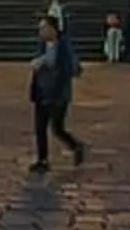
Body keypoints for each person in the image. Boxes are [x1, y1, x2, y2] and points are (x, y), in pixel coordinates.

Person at [28, 14, 86, 173]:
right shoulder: (42, 46)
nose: (41, 32)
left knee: (57, 128)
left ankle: (76, 146)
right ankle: (42, 159)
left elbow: (70, 68)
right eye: (40, 29)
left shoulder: (63, 46)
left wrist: (48, 64)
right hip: (42, 91)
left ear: (53, 29)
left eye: (44, 28)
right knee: (40, 128)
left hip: (57, 93)